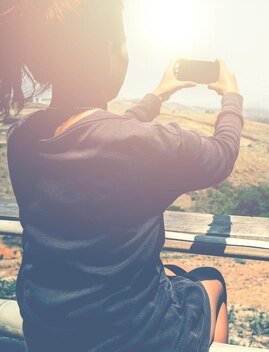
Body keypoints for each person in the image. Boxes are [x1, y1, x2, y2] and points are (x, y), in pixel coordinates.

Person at [0, 1, 242, 351]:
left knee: (171, 275)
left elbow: (100, 134)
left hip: (49, 331)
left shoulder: (23, 140)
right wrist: (231, 98)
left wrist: (156, 96)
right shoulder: (140, 144)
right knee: (210, 282)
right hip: (134, 338)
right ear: (106, 51)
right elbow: (222, 155)